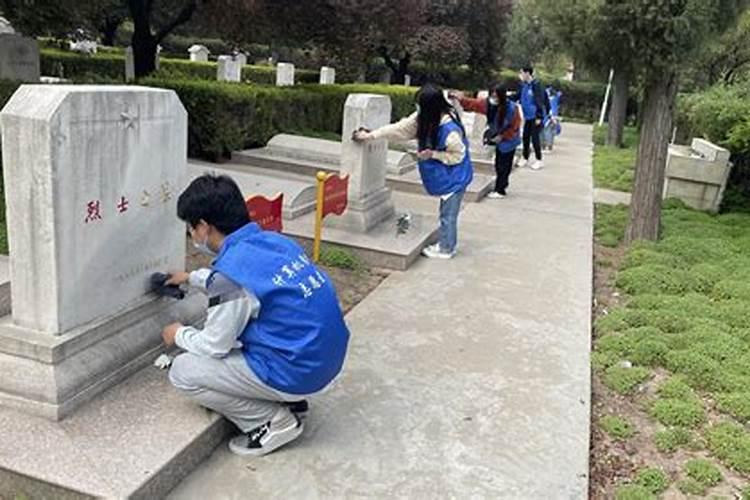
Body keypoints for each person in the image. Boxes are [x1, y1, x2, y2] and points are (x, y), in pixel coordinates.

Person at [161, 174, 350, 457]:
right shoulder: (274, 242)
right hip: (323, 359)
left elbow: (215, 345)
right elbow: (240, 281)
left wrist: (178, 334)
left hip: (297, 370)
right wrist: (192, 277)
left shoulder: (230, 273)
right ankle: (290, 400)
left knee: (183, 371)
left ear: (203, 226)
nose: (192, 236)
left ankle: (269, 421)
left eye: (191, 228)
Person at [353, 83, 473, 259]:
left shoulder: (449, 131)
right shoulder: (427, 117)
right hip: (446, 175)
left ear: (430, 107)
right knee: (445, 212)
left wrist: (434, 154)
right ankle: (446, 242)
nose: (417, 108)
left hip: (454, 177)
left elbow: (458, 156)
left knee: (448, 215)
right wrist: (372, 135)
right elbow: (401, 128)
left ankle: (446, 249)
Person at [455, 84, 522, 199]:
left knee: (504, 165)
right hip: (499, 138)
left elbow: (515, 126)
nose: (494, 99)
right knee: (498, 163)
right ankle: (500, 185)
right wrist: (460, 98)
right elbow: (473, 104)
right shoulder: (487, 104)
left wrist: (502, 136)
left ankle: (500, 189)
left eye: (496, 97)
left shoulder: (512, 108)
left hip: (510, 140)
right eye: (492, 96)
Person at [518, 66, 547, 170]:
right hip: (528, 117)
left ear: (527, 73)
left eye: (522, 72)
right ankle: (525, 157)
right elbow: (518, 96)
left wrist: (539, 116)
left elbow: (540, 101)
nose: (520, 75)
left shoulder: (536, 85)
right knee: (525, 137)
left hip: (535, 116)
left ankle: (539, 160)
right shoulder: (523, 85)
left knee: (535, 139)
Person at [542, 86, 562, 152]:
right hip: (551, 117)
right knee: (550, 132)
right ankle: (547, 146)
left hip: (549, 118)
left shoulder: (550, 100)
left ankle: (546, 147)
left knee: (547, 132)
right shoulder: (555, 98)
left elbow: (551, 109)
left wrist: (552, 117)